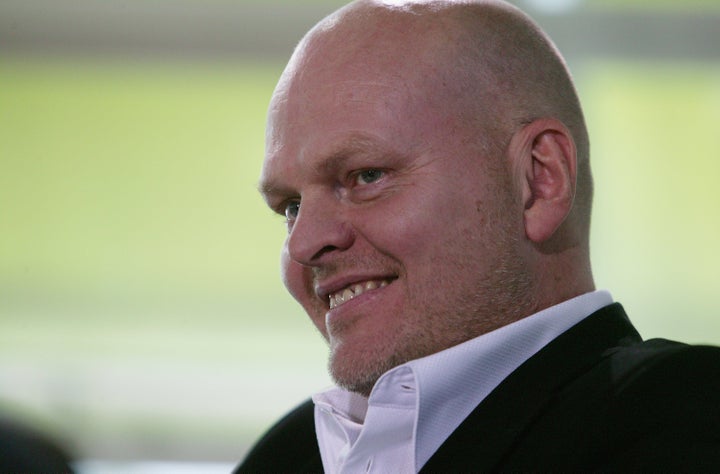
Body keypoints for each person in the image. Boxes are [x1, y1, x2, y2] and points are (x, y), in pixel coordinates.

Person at [235, 0, 720, 471]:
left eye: (365, 176)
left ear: (538, 179)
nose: (304, 243)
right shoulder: (290, 454)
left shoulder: (687, 416)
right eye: (291, 207)